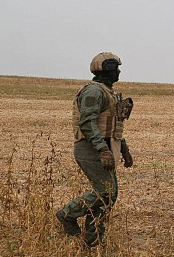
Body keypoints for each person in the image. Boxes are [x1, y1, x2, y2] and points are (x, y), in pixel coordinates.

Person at [55, 52, 134, 247]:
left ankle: (93, 239)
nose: (119, 72)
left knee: (109, 195)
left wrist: (123, 149)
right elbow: (88, 124)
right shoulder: (94, 92)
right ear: (107, 69)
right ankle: (67, 214)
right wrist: (102, 150)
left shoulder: (107, 92)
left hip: (104, 147)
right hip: (90, 148)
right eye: (116, 68)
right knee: (104, 192)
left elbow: (111, 125)